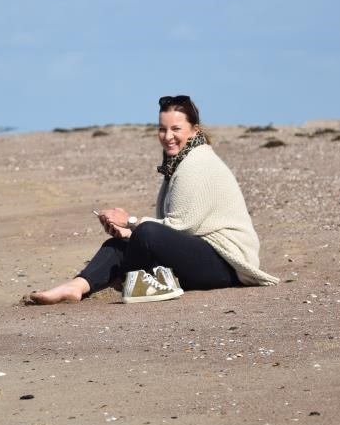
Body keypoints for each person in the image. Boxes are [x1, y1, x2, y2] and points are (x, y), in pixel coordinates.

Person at [28, 95, 279, 304]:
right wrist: (128, 233)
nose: (168, 136)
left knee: (146, 232)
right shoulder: (179, 163)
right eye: (162, 129)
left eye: (176, 129)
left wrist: (131, 222)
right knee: (117, 245)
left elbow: (182, 226)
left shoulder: (197, 164)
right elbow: (175, 230)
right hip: (201, 254)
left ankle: (130, 280)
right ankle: (77, 286)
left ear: (195, 130)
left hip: (227, 264)